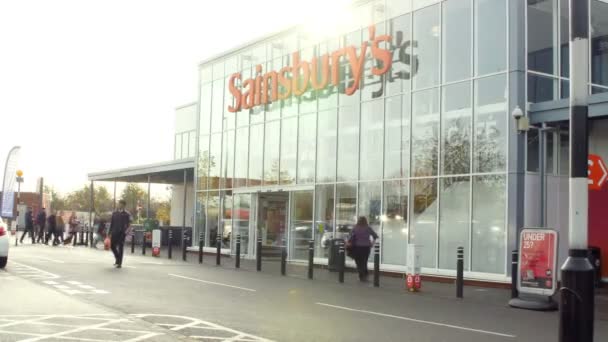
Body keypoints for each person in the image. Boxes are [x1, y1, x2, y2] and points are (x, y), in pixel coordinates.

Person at [348, 216, 378, 282]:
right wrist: (372, 243)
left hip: (357, 247)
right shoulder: (368, 228)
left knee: (358, 262)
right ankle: (364, 274)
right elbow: (375, 236)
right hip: (366, 247)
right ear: (365, 221)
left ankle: (361, 275)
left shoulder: (355, 228)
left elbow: (350, 237)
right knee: (364, 261)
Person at [109, 200, 131, 268]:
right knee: (112, 246)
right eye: (118, 204)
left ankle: (119, 263)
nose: (119, 205)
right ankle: (117, 257)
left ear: (124, 205)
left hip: (122, 233)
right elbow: (112, 223)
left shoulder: (127, 214)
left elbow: (129, 224)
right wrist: (109, 232)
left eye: (120, 204)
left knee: (120, 247)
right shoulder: (114, 213)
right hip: (114, 232)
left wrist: (125, 232)